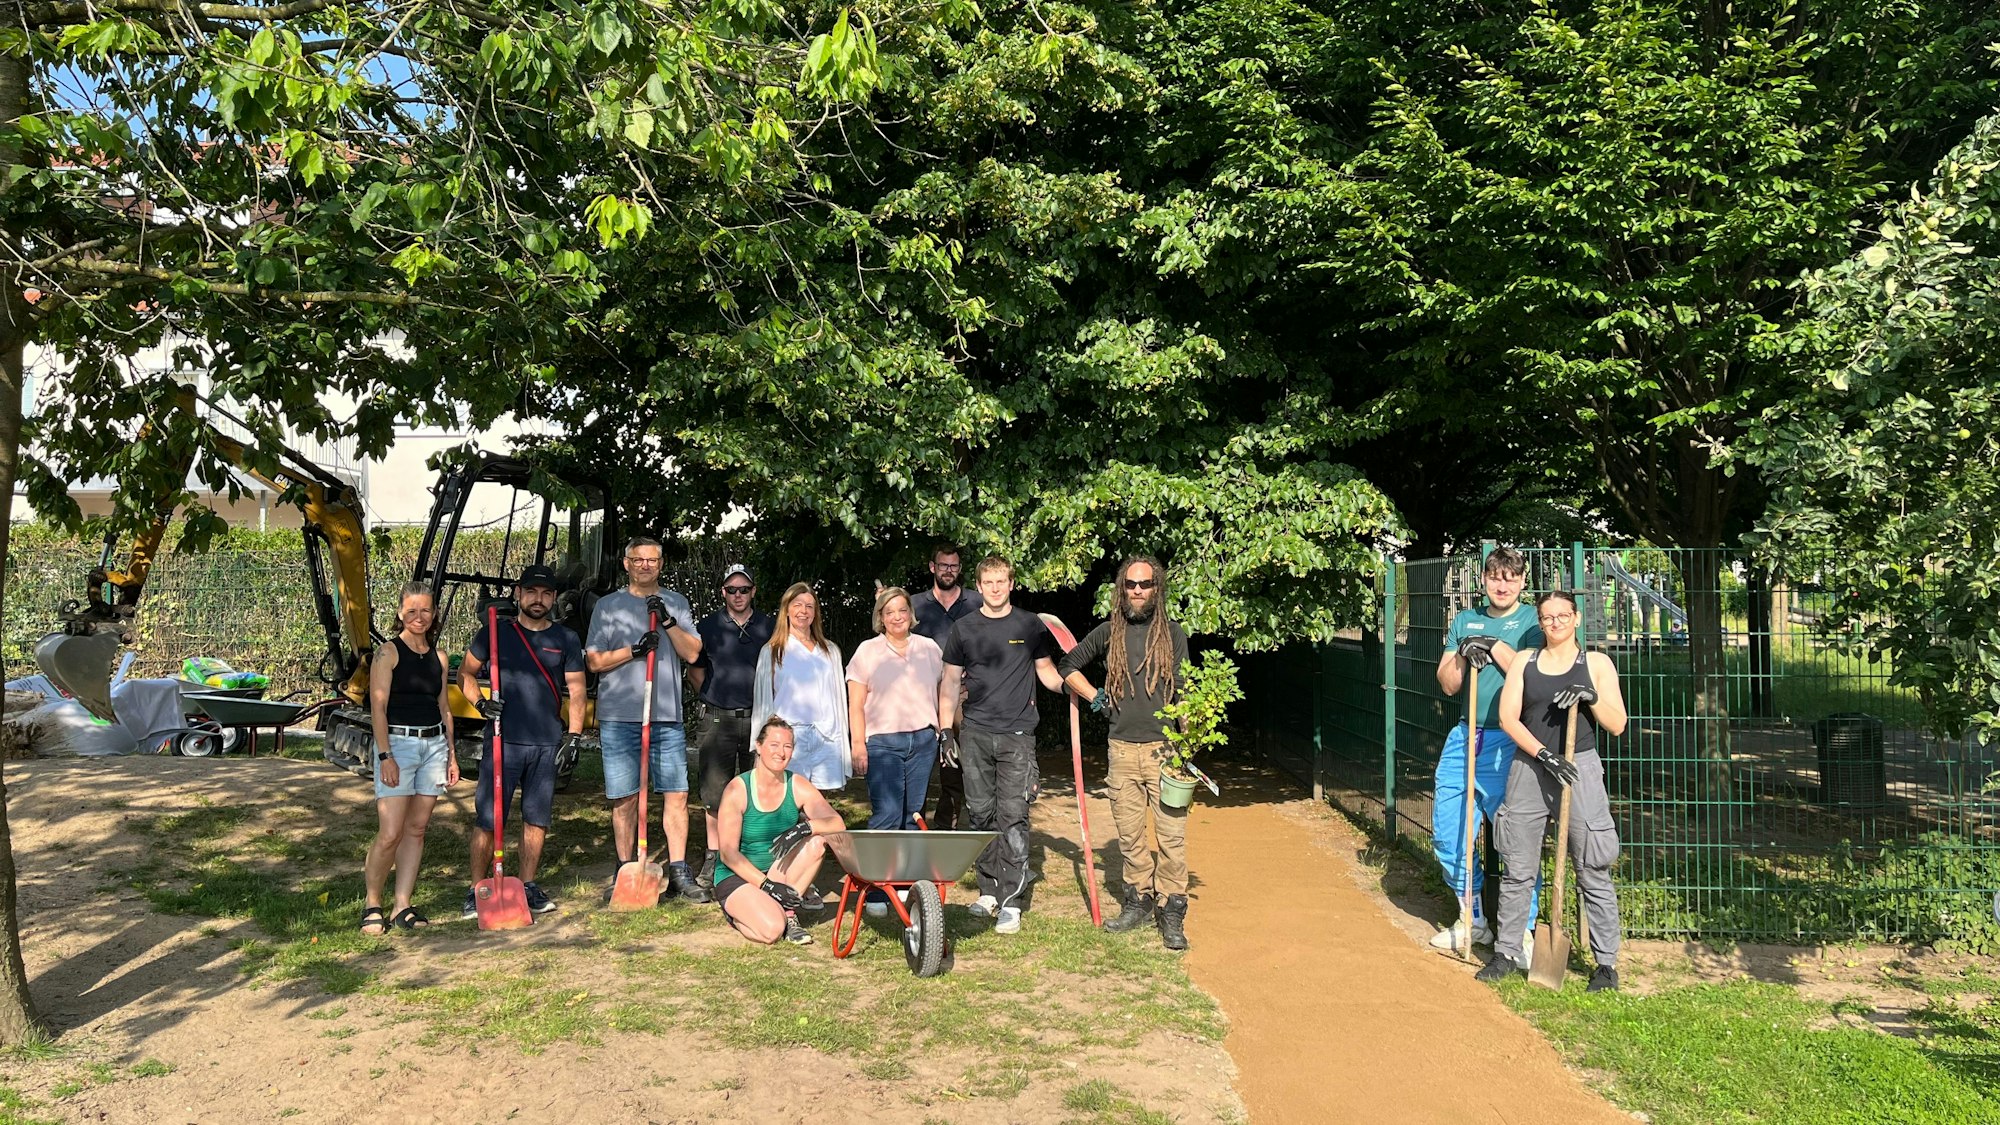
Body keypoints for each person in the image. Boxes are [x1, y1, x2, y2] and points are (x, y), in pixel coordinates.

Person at [1482, 590, 1629, 992]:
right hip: (1530, 767)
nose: (1555, 623)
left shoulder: (1596, 664)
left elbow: (1617, 724)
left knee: (1592, 866)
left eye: (1563, 616)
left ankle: (1605, 965)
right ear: (1540, 622)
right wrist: (1544, 754)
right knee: (1518, 867)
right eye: (1547, 618)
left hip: (1579, 769)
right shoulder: (1526, 662)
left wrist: (1591, 698)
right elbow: (1508, 718)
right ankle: (1507, 952)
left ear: (1576, 619)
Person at [1057, 556, 1193, 950]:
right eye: (1131, 584)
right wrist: (1095, 697)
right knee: (1130, 837)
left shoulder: (1172, 633)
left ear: (1156, 588)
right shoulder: (1108, 632)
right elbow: (1068, 665)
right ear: (1122, 589)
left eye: (1145, 584)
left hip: (1165, 751)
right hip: (1121, 751)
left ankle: (1172, 912)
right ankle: (1138, 902)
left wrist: (1188, 745)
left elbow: (1183, 689)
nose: (1137, 590)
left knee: (1171, 837)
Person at [940, 556, 1064, 935]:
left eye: (1001, 581)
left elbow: (1046, 673)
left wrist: (1073, 687)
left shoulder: (1029, 625)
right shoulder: (964, 628)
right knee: (980, 813)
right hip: (975, 732)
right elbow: (949, 681)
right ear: (979, 586)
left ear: (1012, 584)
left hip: (1017, 736)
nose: (995, 588)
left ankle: (1011, 899)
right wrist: (946, 729)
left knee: (1013, 815)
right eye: (988, 582)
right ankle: (988, 890)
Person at [457, 564, 587, 919]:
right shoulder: (495, 633)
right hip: (503, 740)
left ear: (554, 598)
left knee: (537, 818)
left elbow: (576, 690)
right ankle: (477, 888)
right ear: (518, 593)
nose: (538, 599)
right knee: (488, 818)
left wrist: (573, 736)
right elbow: (464, 673)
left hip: (546, 742)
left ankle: (527, 884)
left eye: (546, 593)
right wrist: (481, 704)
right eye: (531, 592)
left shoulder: (566, 639)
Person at [1430, 547, 1543, 952]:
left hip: (1512, 741)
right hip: (1466, 737)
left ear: (1522, 582)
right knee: (1449, 833)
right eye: (1495, 576)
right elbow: (1447, 683)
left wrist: (1493, 645)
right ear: (1484, 579)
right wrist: (1462, 653)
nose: (1502, 584)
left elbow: (1529, 675)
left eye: (1511, 577)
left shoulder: (1533, 621)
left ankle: (1521, 932)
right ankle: (1471, 918)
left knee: (1516, 838)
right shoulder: (1464, 620)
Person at [585, 536, 709, 903]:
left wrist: (668, 621)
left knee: (677, 793)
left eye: (651, 560)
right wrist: (634, 651)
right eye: (637, 559)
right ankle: (625, 869)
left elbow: (692, 653)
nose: (644, 565)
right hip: (621, 716)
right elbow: (594, 661)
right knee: (624, 797)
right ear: (626, 564)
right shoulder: (608, 607)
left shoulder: (677, 602)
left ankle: (679, 870)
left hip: (665, 716)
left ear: (660, 564)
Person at [846, 586, 949, 916]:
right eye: (889, 612)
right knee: (887, 814)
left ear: (911, 613)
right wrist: (857, 744)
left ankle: (905, 885)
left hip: (922, 741)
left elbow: (945, 691)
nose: (896, 617)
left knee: (912, 813)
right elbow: (856, 704)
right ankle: (877, 890)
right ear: (880, 617)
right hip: (882, 743)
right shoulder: (867, 652)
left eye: (902, 610)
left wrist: (945, 732)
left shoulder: (930, 649)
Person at [361, 581, 458, 934]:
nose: (419, 617)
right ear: (401, 613)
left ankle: (402, 905)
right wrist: (385, 754)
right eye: (412, 611)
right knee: (390, 832)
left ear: (434, 615)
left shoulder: (440, 657)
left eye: (426, 611)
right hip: (398, 746)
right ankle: (373, 903)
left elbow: (444, 708)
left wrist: (452, 754)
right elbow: (378, 706)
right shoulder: (388, 652)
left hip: (433, 747)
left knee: (416, 830)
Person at [713, 718, 847, 945]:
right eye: (774, 745)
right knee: (772, 931)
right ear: (759, 746)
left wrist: (804, 828)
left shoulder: (797, 783)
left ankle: (789, 913)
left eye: (787, 746)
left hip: (778, 871)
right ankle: (738, 914)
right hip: (739, 876)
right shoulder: (738, 788)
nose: (781, 752)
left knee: (817, 843)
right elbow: (727, 853)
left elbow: (837, 823)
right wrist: (767, 886)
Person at [689, 563, 775, 891]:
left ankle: (754, 854)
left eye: (744, 589)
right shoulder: (708, 625)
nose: (738, 595)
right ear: (723, 592)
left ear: (753, 591)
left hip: (759, 718)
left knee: (759, 789)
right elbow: (695, 671)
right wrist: (714, 698)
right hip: (717, 717)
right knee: (715, 792)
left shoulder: (770, 626)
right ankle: (715, 855)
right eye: (731, 589)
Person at [750, 583, 850, 791]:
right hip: (789, 738)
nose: (803, 611)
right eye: (797, 605)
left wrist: (843, 741)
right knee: (787, 800)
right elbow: (762, 704)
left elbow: (839, 701)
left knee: (819, 804)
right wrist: (760, 744)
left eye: (809, 606)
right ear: (786, 609)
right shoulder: (772, 651)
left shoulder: (830, 651)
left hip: (826, 736)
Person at [911, 544, 976, 828]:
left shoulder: (977, 602)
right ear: (932, 567)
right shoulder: (913, 604)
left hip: (961, 696)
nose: (948, 570)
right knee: (920, 767)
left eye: (954, 566)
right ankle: (914, 828)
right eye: (943, 565)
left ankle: (945, 828)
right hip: (922, 696)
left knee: (954, 766)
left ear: (960, 569)